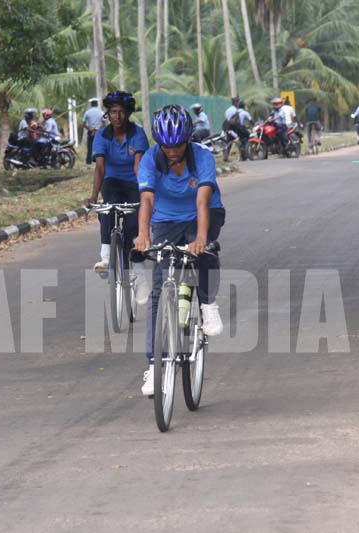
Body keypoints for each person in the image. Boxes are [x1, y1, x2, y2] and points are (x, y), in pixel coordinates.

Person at [135, 105, 225, 396]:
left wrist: (201, 238)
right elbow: (146, 200)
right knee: (158, 291)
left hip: (204, 213)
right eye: (166, 146)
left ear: (188, 140)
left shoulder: (202, 157)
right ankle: (153, 365)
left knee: (205, 253)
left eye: (178, 145)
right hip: (164, 219)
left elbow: (203, 201)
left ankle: (208, 305)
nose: (172, 151)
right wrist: (143, 234)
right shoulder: (150, 159)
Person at [84, 90, 149, 293]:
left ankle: (139, 275)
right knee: (107, 209)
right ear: (108, 114)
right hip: (111, 181)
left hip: (132, 181)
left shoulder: (137, 133)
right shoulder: (102, 135)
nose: (117, 116)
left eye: (121, 112)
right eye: (113, 112)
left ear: (128, 113)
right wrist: (94, 197)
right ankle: (105, 257)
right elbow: (100, 168)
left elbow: (139, 166)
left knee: (133, 226)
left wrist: (144, 193)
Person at [82, 97, 105, 166]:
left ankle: (88, 164)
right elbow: (104, 123)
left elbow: (84, 124)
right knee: (100, 147)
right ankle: (101, 162)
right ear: (97, 104)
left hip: (91, 132)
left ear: (91, 104)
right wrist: (97, 130)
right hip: (100, 133)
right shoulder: (101, 112)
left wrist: (91, 130)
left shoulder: (87, 113)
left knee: (90, 148)